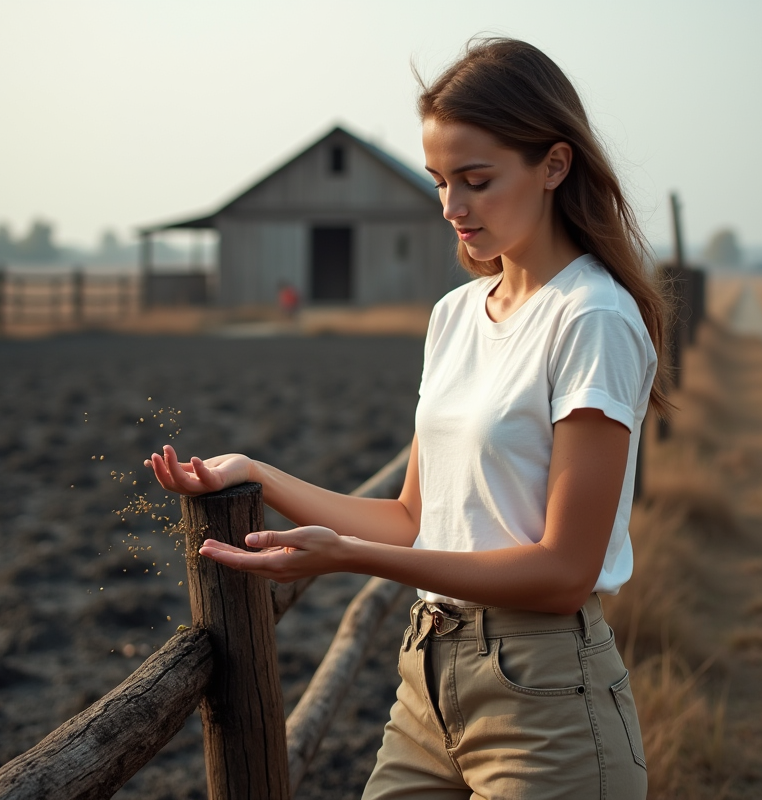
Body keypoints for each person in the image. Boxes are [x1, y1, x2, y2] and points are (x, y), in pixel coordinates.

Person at [145, 37, 668, 800]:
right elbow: (410, 516)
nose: (452, 207)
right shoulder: (455, 317)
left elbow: (562, 573)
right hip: (426, 686)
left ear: (554, 166)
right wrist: (255, 474)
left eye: (477, 180)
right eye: (439, 182)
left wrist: (348, 557)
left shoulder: (592, 319)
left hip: (547, 702)